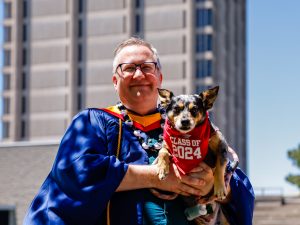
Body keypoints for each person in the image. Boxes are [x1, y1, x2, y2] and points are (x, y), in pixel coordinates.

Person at [23, 37, 255, 225]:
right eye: (129, 68)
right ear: (115, 81)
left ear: (160, 78)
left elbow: (240, 185)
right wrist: (158, 177)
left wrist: (211, 186)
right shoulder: (95, 123)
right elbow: (76, 173)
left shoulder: (196, 129)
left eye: (146, 67)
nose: (139, 75)